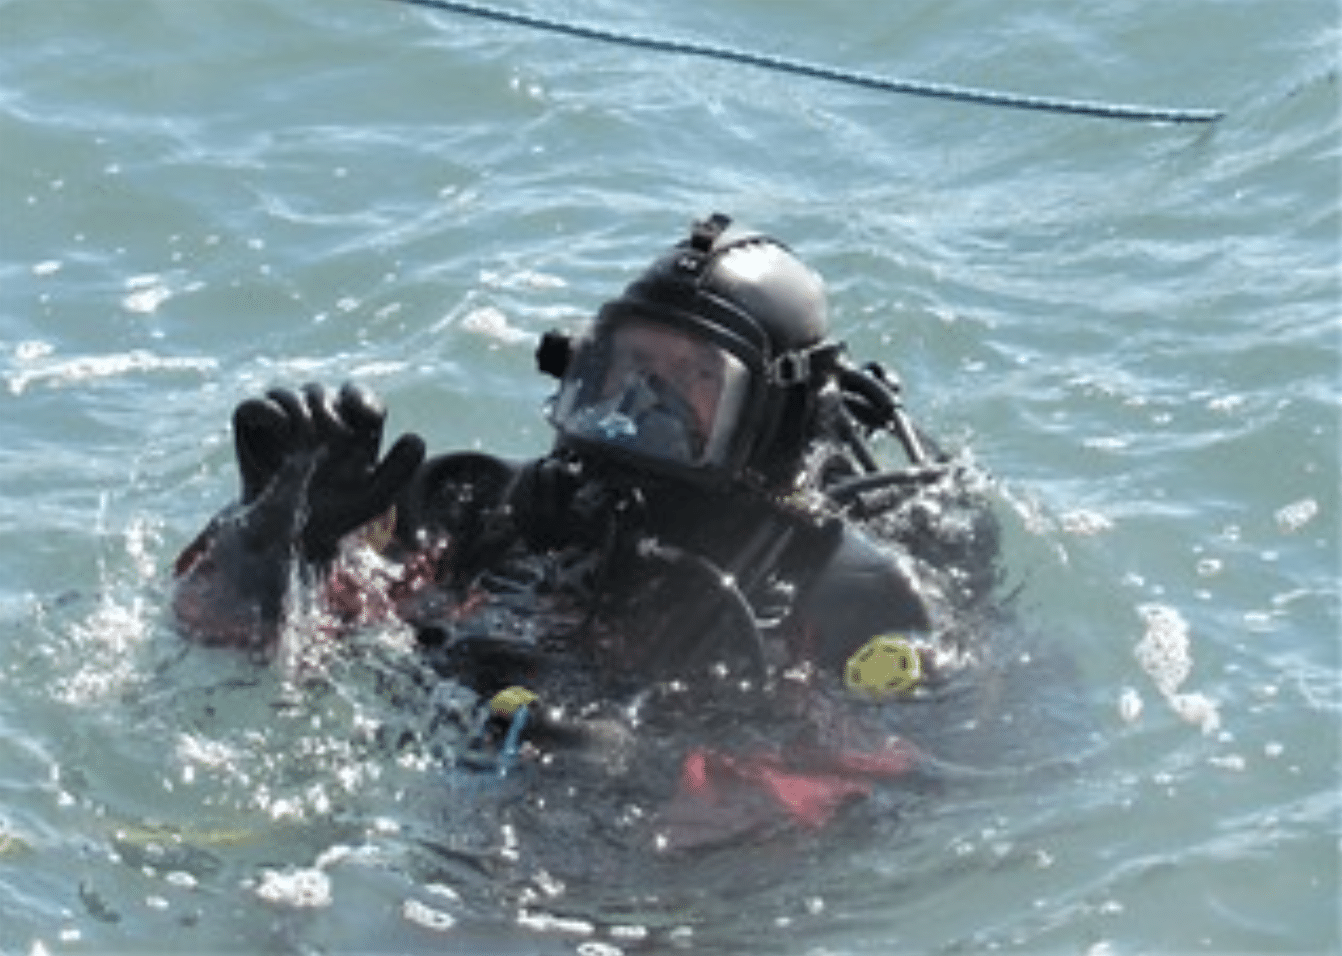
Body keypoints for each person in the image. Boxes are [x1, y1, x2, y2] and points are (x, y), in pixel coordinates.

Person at [171, 213, 999, 845]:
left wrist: (647, 777)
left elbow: (902, 785)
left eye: (691, 380)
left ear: (769, 418)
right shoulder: (481, 509)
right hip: (441, 840)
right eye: (631, 366)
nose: (643, 403)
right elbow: (227, 644)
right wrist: (274, 545)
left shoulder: (847, 595)